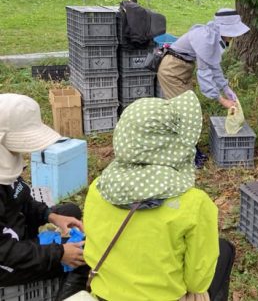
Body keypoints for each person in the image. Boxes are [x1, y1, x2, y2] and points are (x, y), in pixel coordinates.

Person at [83, 91, 235, 301]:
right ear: (173, 143)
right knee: (224, 251)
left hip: (105, 294)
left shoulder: (98, 188)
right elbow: (196, 281)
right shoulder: (195, 203)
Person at [0, 94, 85, 294]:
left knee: (69, 210)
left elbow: (22, 198)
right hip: (5, 260)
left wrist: (51, 216)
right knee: (83, 258)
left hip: (14, 234)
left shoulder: (6, 165)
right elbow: (5, 251)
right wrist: (58, 254)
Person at [157, 8, 250, 109]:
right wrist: (221, 100)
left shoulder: (212, 36)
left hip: (182, 68)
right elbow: (204, 72)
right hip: (172, 70)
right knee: (184, 109)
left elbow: (214, 65)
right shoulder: (205, 39)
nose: (233, 37)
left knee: (190, 107)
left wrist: (225, 88)